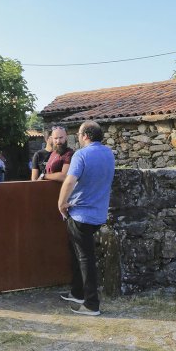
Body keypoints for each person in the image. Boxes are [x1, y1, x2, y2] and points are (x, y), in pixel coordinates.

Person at [57, 121, 115, 316]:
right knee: (77, 254)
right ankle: (77, 292)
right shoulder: (108, 153)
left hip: (80, 213)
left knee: (85, 258)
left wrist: (61, 203)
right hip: (98, 213)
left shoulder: (81, 155)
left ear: (85, 136)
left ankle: (91, 304)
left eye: (79, 134)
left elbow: (70, 181)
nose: (78, 138)